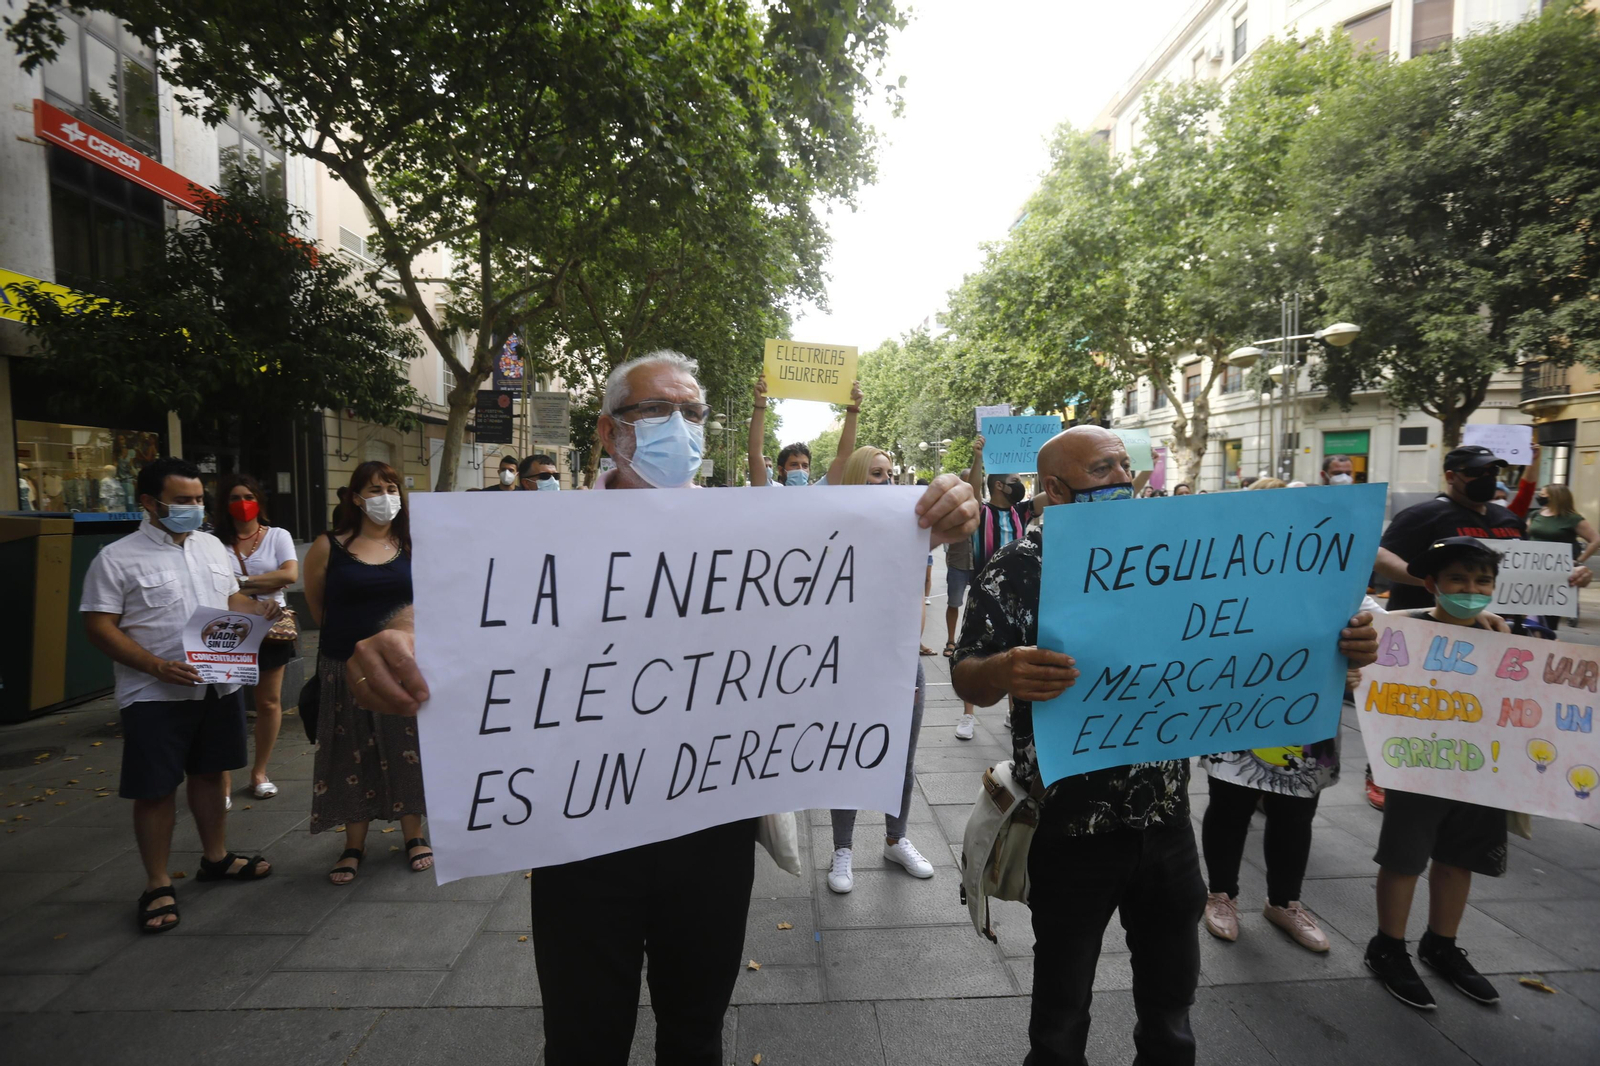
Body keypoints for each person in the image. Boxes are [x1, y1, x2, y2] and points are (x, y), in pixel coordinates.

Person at [344, 352, 979, 1065]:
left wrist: (941, 511)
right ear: (609, 430)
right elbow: (462, 608)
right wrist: (399, 638)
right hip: (579, 837)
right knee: (583, 1041)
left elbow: (852, 570)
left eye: (694, 413)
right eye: (655, 410)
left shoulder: (754, 531)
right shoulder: (544, 531)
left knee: (696, 1032)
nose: (679, 427)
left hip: (711, 831)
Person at [951, 425, 1377, 1066]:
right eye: (1102, 470)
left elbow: (1248, 629)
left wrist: (1337, 648)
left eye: (1125, 466)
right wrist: (1003, 670)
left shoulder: (1177, 555)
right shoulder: (1016, 570)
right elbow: (966, 674)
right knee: (1061, 1009)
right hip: (1072, 827)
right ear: (1055, 490)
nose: (1123, 478)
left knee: (1172, 1002)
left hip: (1167, 820)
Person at [79, 456, 276, 933]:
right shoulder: (116, 558)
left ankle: (216, 858)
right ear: (150, 502)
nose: (195, 507)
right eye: (182, 500)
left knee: (211, 773)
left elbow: (230, 600)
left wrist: (260, 611)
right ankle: (157, 883)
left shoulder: (211, 546)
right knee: (155, 789)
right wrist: (155, 666)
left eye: (199, 499)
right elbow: (99, 625)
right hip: (154, 693)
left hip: (218, 682)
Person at [1365, 537, 1511, 1010]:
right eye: (1458, 580)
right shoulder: (1403, 632)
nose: (1471, 590)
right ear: (1433, 584)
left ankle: (1441, 944)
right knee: (1404, 858)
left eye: (1482, 581)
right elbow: (1373, 627)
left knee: (1458, 859)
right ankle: (1388, 946)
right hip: (1416, 767)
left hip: (1478, 769)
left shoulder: (1502, 638)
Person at [1198, 477, 1342, 954]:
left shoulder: (1333, 574)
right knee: (1229, 807)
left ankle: (1284, 901)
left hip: (1306, 714)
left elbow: (1372, 622)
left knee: (1296, 813)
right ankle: (1221, 894)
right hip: (1236, 709)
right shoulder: (1224, 569)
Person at [301, 461, 430, 883]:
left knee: (407, 750)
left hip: (402, 667)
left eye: (391, 488)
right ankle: (352, 844)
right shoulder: (329, 546)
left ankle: (415, 835)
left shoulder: (411, 545)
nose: (385, 497)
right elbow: (319, 609)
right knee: (348, 754)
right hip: (343, 668)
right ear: (356, 498)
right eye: (374, 490)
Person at [823, 445, 940, 893]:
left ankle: (896, 839)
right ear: (856, 477)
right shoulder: (834, 529)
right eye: (875, 473)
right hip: (850, 661)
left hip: (900, 659)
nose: (886, 481)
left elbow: (918, 593)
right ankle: (842, 849)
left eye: (889, 474)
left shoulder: (909, 528)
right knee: (846, 754)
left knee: (901, 759)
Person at [1374, 445, 1592, 614]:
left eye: (1492, 471)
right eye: (1476, 471)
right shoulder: (1422, 515)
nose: (1486, 477)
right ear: (1451, 477)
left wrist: (1570, 574)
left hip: (1500, 629)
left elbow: (1531, 565)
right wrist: (1432, 583)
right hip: (1431, 626)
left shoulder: (1509, 518)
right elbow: (1381, 557)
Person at [215, 474, 299, 800]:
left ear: (259, 501)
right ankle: (222, 780)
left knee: (268, 702)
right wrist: (266, 581)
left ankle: (259, 772)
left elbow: (290, 574)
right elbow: (214, 585)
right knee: (226, 704)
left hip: (271, 628)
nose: (242, 503)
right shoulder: (212, 542)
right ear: (224, 504)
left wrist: (239, 583)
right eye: (234, 497)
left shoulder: (278, 536)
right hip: (226, 628)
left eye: (248, 496)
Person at [747, 373, 861, 486]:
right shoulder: (768, 491)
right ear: (781, 470)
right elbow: (754, 455)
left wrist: (853, 409)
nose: (800, 470)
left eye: (805, 466)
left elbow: (844, 457)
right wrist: (760, 404)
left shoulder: (819, 490)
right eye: (794, 465)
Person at [1527, 483, 1598, 631]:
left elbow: (1595, 540)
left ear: (1555, 497)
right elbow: (1525, 534)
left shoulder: (1572, 519)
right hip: (1533, 568)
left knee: (1549, 615)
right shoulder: (1535, 515)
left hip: (1557, 573)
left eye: (1543, 494)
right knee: (1529, 609)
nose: (1539, 497)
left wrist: (1579, 561)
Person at [946, 469, 982, 739]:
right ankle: (951, 640)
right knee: (954, 603)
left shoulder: (985, 509)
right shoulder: (953, 510)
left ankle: (1013, 712)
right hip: (959, 564)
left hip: (979, 566)